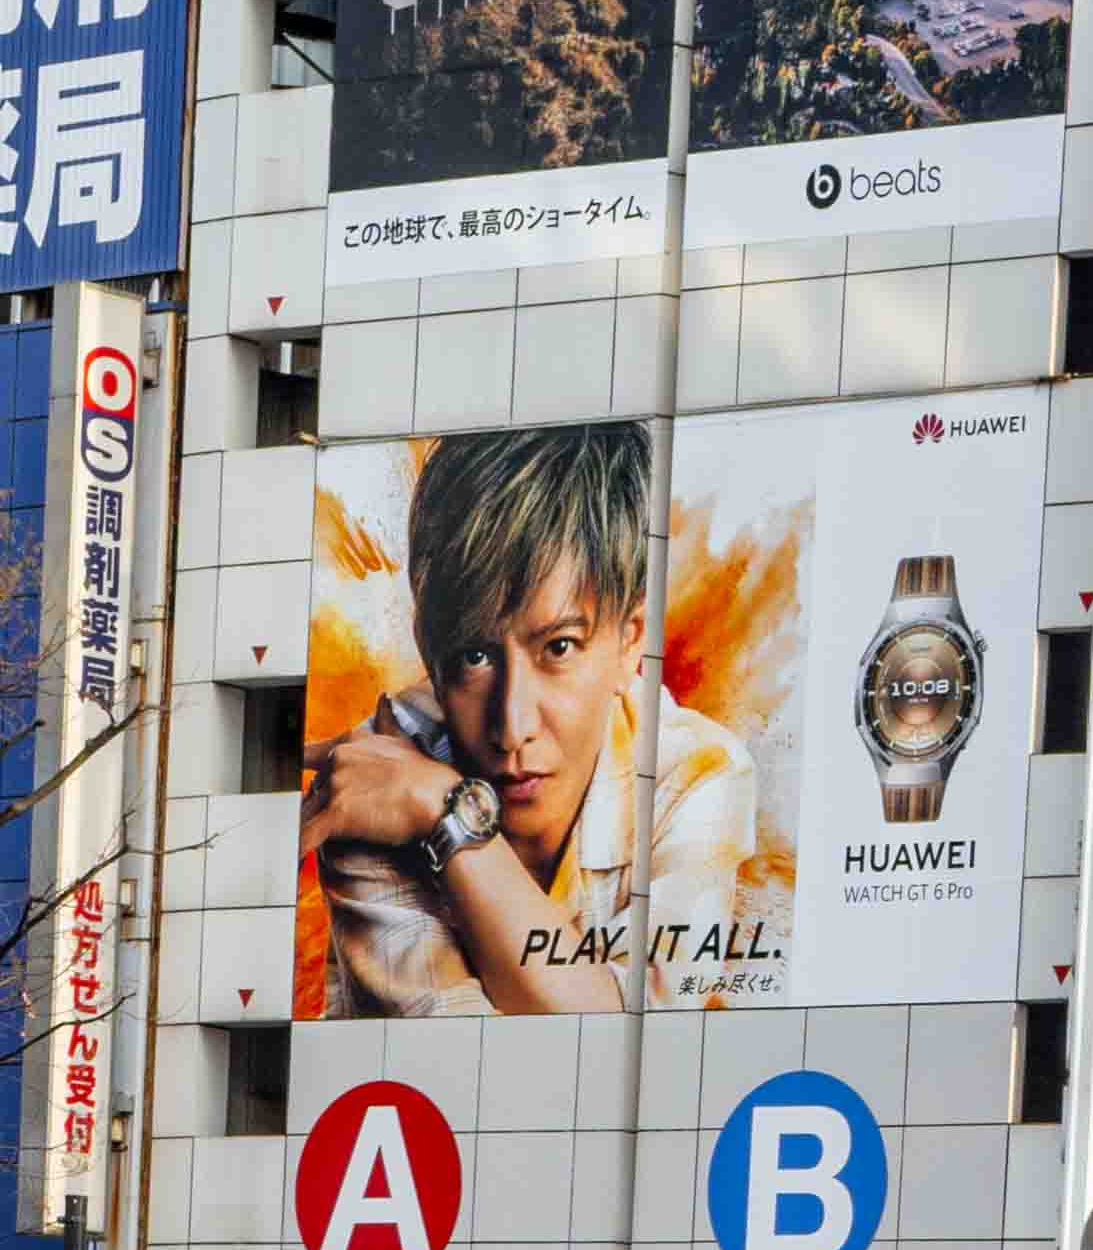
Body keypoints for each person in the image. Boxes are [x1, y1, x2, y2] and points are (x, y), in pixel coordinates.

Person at [304, 425, 777, 1023]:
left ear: (632, 642)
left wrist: (448, 814)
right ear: (430, 651)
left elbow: (637, 1041)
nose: (512, 726)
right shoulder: (377, 780)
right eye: (475, 656)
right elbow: (467, 1065)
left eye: (559, 647)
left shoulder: (696, 772)